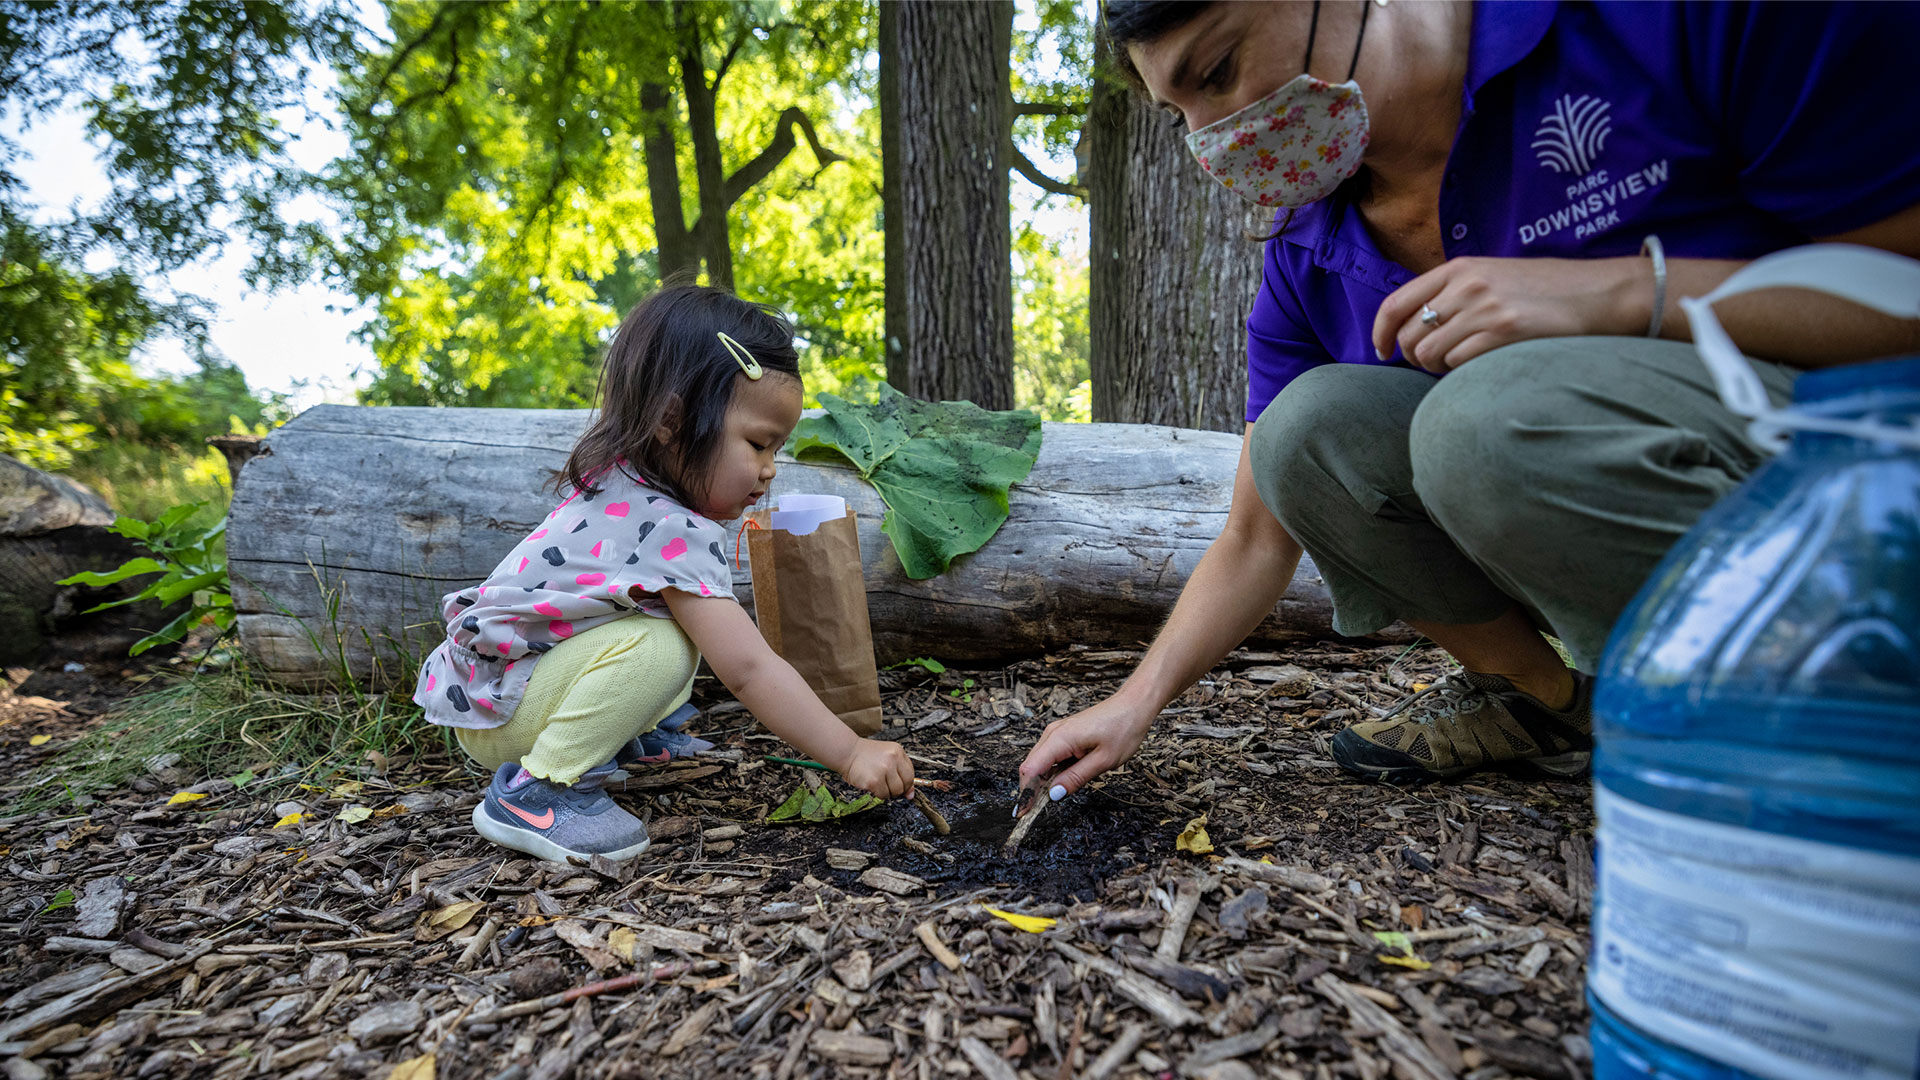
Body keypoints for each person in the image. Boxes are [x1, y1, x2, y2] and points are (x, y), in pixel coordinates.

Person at [1021, 0, 1920, 796]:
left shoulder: (1654, 22)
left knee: (1480, 421)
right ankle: (1554, 707)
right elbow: (1259, 530)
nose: (1211, 142)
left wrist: (1625, 295)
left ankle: (1823, 725)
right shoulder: (1307, 247)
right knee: (1308, 431)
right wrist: (1132, 705)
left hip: (1855, 456)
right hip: (1683, 501)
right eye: (1179, 113)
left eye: (1216, 71)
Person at [413, 286, 913, 864]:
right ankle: (539, 789)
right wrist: (850, 753)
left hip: (494, 691)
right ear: (670, 422)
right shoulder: (668, 527)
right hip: (501, 710)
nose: (770, 470)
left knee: (681, 628)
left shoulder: (624, 485)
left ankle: (610, 740)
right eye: (758, 443)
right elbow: (749, 670)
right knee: (664, 647)